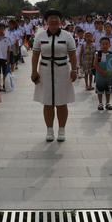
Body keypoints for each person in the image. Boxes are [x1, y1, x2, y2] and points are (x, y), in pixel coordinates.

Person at [31, 9, 77, 142]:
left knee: (62, 102)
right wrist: (34, 71)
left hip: (62, 71)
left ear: (60, 20)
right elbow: (35, 55)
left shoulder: (67, 36)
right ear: (46, 21)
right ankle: (49, 130)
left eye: (56, 17)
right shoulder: (40, 36)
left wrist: (74, 70)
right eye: (50, 17)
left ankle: (62, 130)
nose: (53, 20)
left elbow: (73, 55)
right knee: (47, 102)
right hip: (45, 71)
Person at [93, 37, 112, 111]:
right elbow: (95, 64)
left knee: (108, 89)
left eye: (106, 44)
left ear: (109, 45)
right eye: (103, 44)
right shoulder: (98, 54)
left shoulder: (111, 54)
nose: (105, 45)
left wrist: (108, 72)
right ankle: (100, 103)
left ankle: (108, 103)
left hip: (109, 75)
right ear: (100, 45)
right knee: (100, 89)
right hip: (99, 74)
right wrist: (102, 71)